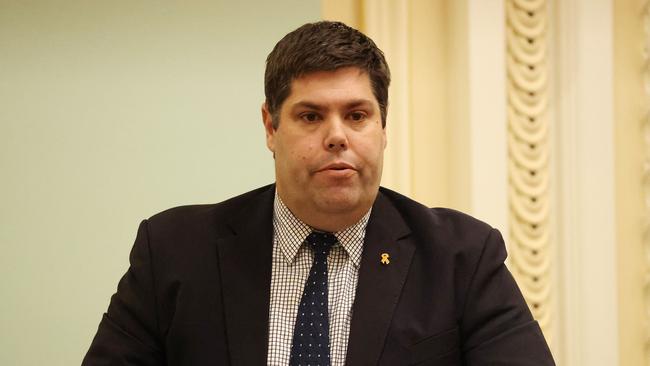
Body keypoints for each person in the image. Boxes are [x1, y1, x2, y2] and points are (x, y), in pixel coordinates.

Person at [82, 21, 554, 365]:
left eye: (357, 115)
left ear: (382, 126)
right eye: (310, 116)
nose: (337, 137)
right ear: (270, 126)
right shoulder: (174, 251)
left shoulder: (461, 258)